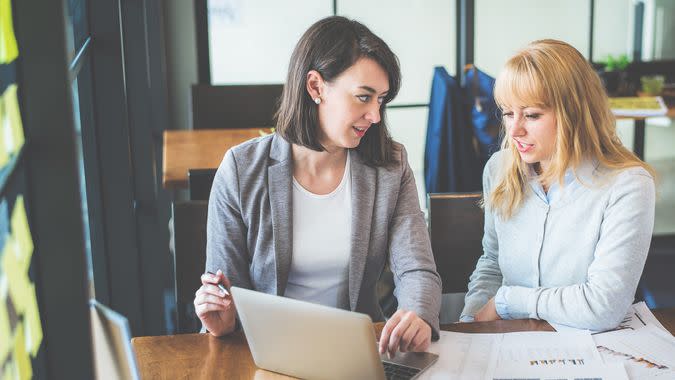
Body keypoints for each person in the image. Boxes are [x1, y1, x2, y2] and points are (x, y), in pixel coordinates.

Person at [193, 16, 441, 356]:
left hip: (357, 353)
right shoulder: (240, 170)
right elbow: (228, 292)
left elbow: (417, 268)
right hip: (269, 353)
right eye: (363, 97)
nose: (375, 115)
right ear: (315, 87)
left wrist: (418, 314)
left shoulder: (390, 166)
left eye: (381, 100)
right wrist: (222, 320)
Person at [460, 39, 656, 331]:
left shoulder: (628, 185)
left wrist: (508, 302)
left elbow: (602, 306)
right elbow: (492, 263)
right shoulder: (499, 169)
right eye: (508, 112)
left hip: (591, 350)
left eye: (532, 114)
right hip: (510, 345)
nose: (514, 130)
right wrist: (470, 325)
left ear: (574, 113)